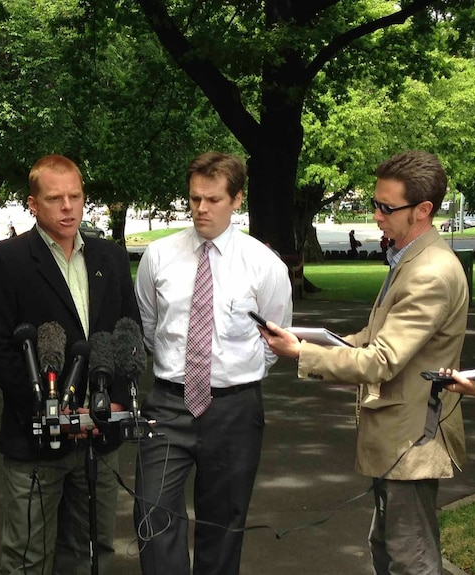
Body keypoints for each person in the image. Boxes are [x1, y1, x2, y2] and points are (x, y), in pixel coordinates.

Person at [260, 150, 467, 575]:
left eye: (387, 207)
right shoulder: (409, 258)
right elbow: (371, 339)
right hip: (399, 438)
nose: (376, 216)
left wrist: (303, 355)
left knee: (410, 559)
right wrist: (307, 337)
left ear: (423, 210)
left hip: (412, 439)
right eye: (375, 203)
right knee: (389, 548)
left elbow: (382, 360)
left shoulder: (429, 271)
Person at [0, 154, 141, 575]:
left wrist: (113, 403)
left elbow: (128, 335)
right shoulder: (6, 260)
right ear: (33, 203)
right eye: (55, 198)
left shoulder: (111, 257)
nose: (68, 207)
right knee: (27, 557)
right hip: (37, 439)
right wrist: (49, 409)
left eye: (75, 196)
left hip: (101, 436)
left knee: (92, 552)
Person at [132, 151, 292, 575]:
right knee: (152, 513)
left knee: (222, 524)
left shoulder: (264, 265)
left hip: (235, 409)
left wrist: (233, 377)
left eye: (213, 199)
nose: (201, 209)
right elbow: (151, 327)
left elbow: (276, 341)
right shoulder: (159, 257)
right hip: (168, 404)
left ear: (237, 199)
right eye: (194, 199)